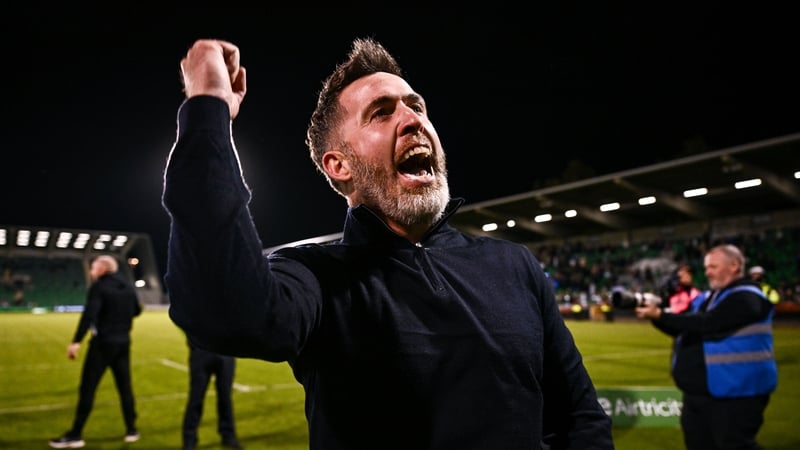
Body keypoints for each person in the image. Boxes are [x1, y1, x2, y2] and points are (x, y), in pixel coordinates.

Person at [162, 38, 614, 450]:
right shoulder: (319, 276)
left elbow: (579, 416)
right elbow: (224, 310)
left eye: (416, 106)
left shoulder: (515, 264)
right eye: (381, 112)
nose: (413, 120)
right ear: (339, 166)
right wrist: (208, 106)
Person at [635, 244, 777, 450]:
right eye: (706, 267)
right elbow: (682, 327)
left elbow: (709, 323)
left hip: (736, 393)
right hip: (701, 393)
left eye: (713, 266)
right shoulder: (711, 297)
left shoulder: (748, 296)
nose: (707, 272)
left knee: (735, 445)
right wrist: (655, 316)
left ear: (734, 266)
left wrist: (660, 315)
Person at [49, 255, 143, 449]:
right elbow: (137, 310)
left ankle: (76, 434)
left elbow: (89, 314)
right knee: (125, 388)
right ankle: (132, 430)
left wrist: (76, 341)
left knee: (87, 389)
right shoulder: (127, 286)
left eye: (93, 267)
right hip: (123, 342)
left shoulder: (99, 287)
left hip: (102, 345)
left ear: (103, 268)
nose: (91, 271)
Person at [182, 339, 242, 450]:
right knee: (196, 398)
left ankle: (228, 435)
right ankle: (189, 440)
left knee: (225, 397)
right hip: (201, 353)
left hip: (226, 354)